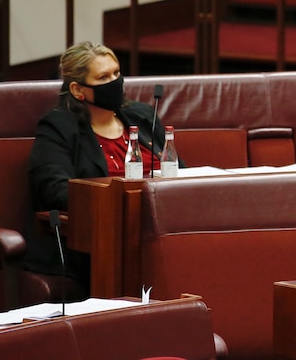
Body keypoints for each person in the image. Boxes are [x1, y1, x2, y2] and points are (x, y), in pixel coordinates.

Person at [25, 41, 180, 289]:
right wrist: (119, 205)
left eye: (117, 73)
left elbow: (178, 170)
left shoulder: (142, 117)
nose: (115, 82)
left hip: (161, 227)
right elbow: (55, 189)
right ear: (78, 90)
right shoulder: (59, 127)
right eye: (103, 77)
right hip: (98, 239)